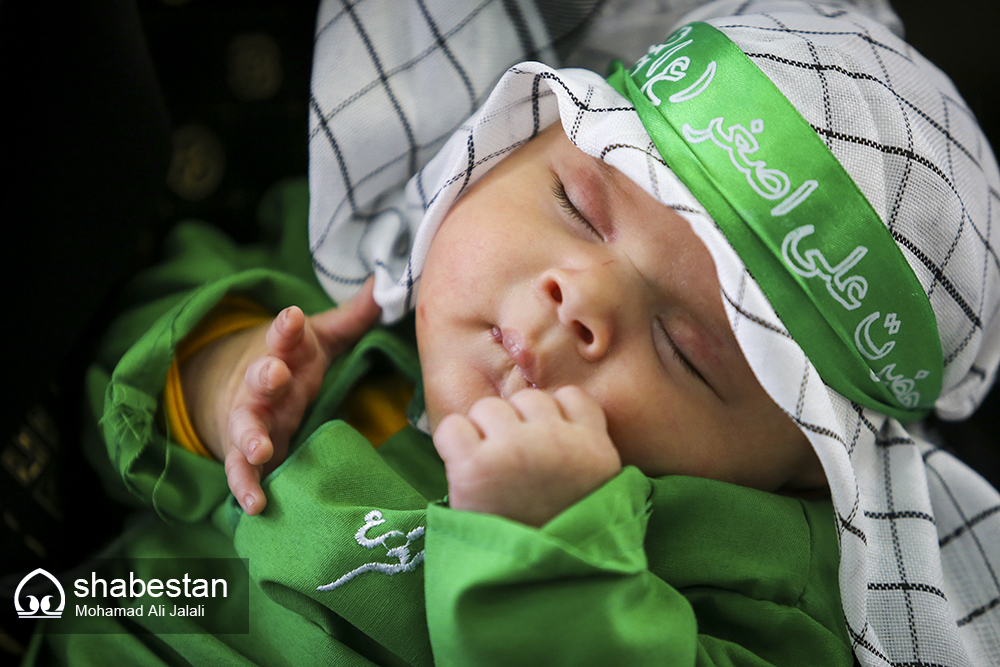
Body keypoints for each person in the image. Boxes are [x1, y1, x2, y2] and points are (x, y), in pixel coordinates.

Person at [26, 1, 1000, 666]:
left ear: (802, 471)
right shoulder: (356, 280)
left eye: (685, 348)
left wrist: (553, 550)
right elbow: (99, 356)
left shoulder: (771, 578)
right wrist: (216, 374)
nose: (578, 297)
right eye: (580, 204)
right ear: (505, 145)